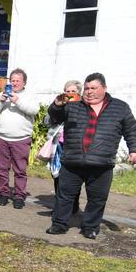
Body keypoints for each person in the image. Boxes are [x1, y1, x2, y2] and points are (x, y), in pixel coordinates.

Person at [46, 72, 136, 239]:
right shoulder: (73, 104)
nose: (89, 91)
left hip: (102, 163)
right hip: (72, 161)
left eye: (94, 88)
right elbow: (55, 117)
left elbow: (131, 130)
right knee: (65, 196)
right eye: (87, 88)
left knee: (97, 199)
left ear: (104, 88)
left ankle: (90, 227)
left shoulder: (120, 107)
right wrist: (57, 104)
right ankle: (59, 225)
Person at [0, 68, 40, 208]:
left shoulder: (30, 95)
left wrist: (17, 101)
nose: (15, 83)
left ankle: (19, 196)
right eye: (13, 80)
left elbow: (34, 110)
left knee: (20, 170)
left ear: (24, 82)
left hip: (21, 138)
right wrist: (1, 100)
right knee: (1, 169)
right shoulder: (2, 94)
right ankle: (3, 193)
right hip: (1, 137)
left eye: (18, 81)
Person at [45, 80, 83, 213]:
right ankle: (60, 206)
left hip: (75, 147)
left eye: (74, 91)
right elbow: (47, 120)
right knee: (58, 177)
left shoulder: (84, 106)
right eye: (68, 91)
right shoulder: (59, 103)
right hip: (59, 146)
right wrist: (58, 108)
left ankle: (73, 206)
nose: (70, 94)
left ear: (79, 92)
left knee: (74, 178)